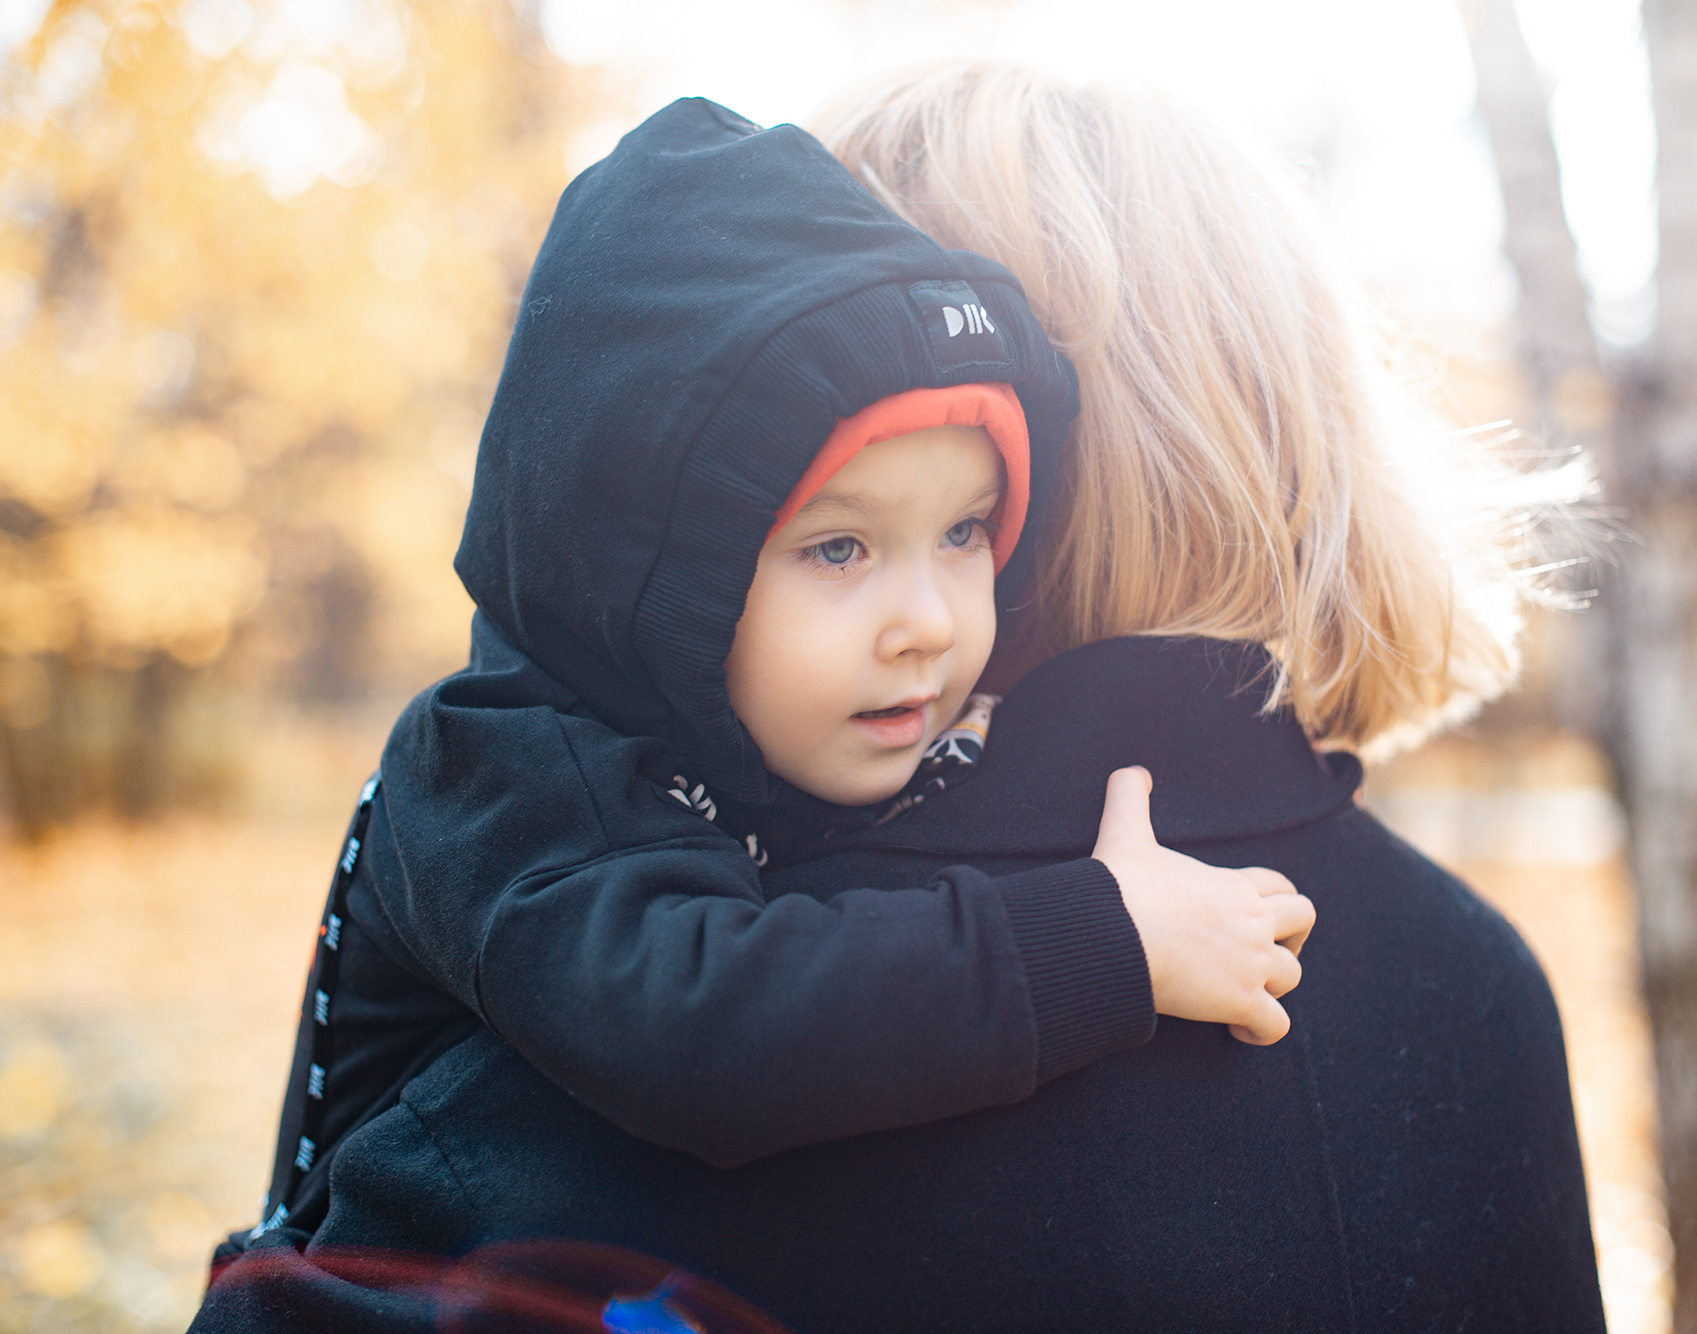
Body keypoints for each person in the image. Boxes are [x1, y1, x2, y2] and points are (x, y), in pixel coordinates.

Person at [195, 68, 1605, 1334]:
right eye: (834, 537)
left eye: (962, 527)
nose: (920, 610)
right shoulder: (1477, 980)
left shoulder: (609, 1091)